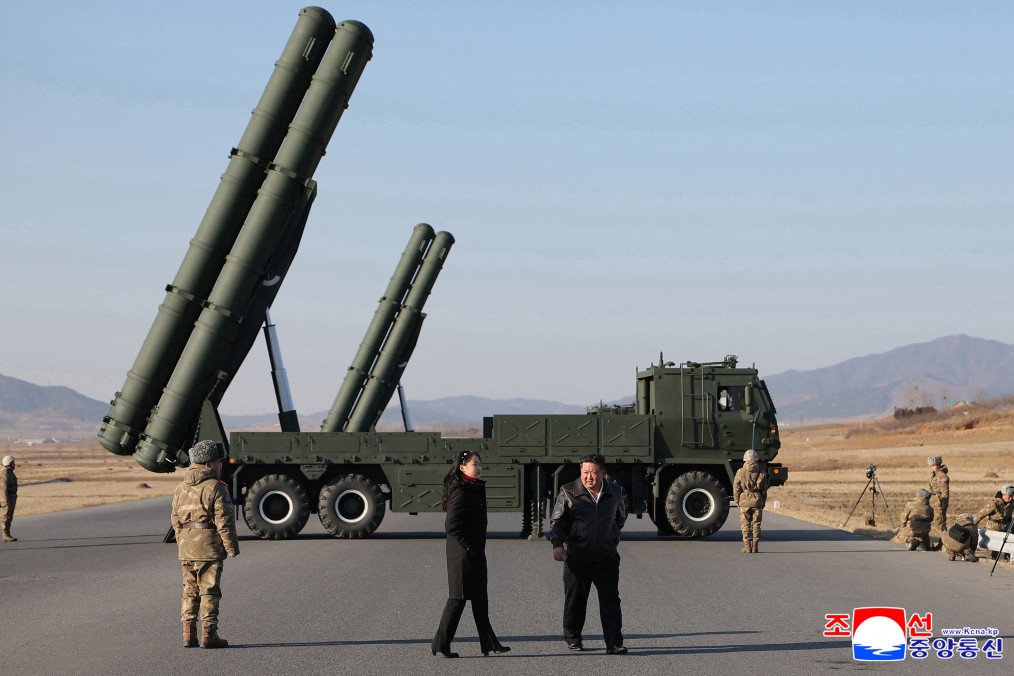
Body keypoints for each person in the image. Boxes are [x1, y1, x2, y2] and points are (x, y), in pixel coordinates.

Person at [431, 451, 510, 658]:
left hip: (474, 552)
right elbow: (452, 525)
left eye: (480, 463)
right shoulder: (461, 491)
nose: (479, 467)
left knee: (480, 598)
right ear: (462, 467)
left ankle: (489, 644)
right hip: (463, 556)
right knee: (457, 599)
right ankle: (441, 644)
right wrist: (468, 547)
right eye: (475, 464)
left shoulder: (473, 488)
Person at [550, 453, 628, 655]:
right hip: (577, 557)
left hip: (607, 557)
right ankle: (573, 637)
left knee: (611, 602)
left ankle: (614, 643)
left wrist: (612, 536)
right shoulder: (568, 491)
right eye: (585, 472)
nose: (589, 477)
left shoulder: (615, 492)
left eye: (594, 472)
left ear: (603, 472)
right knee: (575, 599)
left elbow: (619, 518)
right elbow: (557, 521)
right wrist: (558, 545)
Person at [170, 440, 240, 649]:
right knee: (209, 590)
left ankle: (188, 634)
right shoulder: (216, 488)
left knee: (189, 590)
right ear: (209, 464)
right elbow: (224, 522)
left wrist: (183, 540)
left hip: (186, 547)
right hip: (208, 546)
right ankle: (209, 634)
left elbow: (175, 519)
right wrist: (231, 548)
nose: (221, 466)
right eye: (218, 462)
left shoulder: (181, 488)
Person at [733, 449, 769, 553]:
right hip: (757, 501)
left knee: (745, 525)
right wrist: (763, 502)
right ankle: (755, 547)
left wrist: (737, 500)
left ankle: (747, 547)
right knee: (756, 524)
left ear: (745, 459)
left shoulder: (740, 472)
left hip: (744, 501)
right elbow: (764, 490)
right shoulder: (762, 473)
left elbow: (736, 488)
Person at [974, 483, 1013, 561]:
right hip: (994, 528)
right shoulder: (994, 503)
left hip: (1006, 527)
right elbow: (980, 515)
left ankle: (1008, 557)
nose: (1011, 498)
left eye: (1012, 496)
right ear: (1004, 494)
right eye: (1010, 496)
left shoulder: (1011, 503)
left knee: (1010, 541)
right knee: (993, 553)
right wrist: (971, 526)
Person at [927, 456, 949, 533]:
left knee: (940, 523)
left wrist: (943, 504)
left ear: (938, 465)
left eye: (933, 465)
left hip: (940, 503)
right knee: (936, 523)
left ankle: (943, 542)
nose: (932, 467)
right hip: (935, 502)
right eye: (931, 466)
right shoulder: (934, 475)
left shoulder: (941, 476)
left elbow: (944, 492)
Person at [1, 455, 17, 542]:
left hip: (11, 497)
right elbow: (3, 486)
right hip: (7, 497)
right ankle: (5, 535)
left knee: (9, 516)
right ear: (9, 463)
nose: (15, 464)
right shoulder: (5, 472)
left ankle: (7, 533)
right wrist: (5, 499)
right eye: (13, 462)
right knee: (5, 516)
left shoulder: (9, 471)